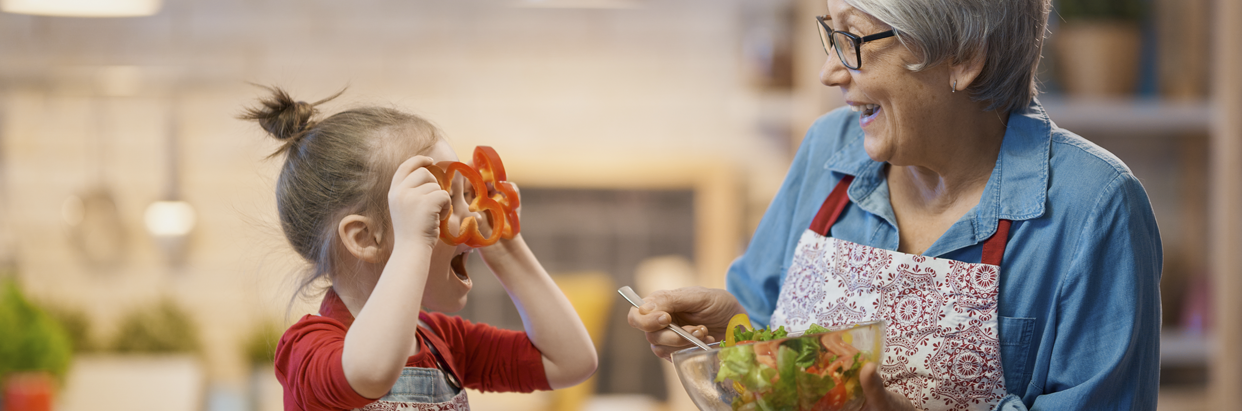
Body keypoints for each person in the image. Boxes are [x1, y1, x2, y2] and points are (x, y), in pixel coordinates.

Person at [628, 0, 1161, 410]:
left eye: (854, 42)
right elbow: (765, 352)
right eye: (830, 35)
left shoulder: (1094, 208)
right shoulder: (828, 150)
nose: (829, 72)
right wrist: (734, 332)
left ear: (964, 57)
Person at [243, 86, 598, 411]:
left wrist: (505, 246)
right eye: (440, 206)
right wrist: (414, 244)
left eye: (467, 196)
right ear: (365, 238)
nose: (467, 221)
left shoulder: (441, 340)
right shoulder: (308, 347)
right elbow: (370, 372)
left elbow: (571, 361)